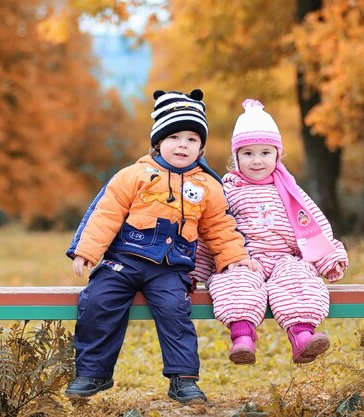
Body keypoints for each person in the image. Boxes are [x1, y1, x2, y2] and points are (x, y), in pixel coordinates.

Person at [65, 89, 257, 403]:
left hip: (171, 266)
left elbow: (220, 225)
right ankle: (93, 373)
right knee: (98, 301)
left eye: (192, 139)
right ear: (158, 142)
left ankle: (183, 379)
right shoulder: (134, 175)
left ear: (201, 147)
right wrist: (87, 251)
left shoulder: (207, 186)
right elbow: (106, 212)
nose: (183, 144)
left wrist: (234, 256)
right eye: (175, 137)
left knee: (175, 311)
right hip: (123, 260)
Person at [190, 99, 348, 365]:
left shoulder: (290, 191)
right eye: (248, 153)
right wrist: (196, 270)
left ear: (277, 154)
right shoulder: (227, 191)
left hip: (284, 258)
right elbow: (213, 231)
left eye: (265, 153)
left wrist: (327, 257)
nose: (257, 160)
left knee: (298, 280)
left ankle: (302, 337)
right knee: (235, 282)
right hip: (243, 259)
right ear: (236, 157)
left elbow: (313, 224)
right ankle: (242, 339)